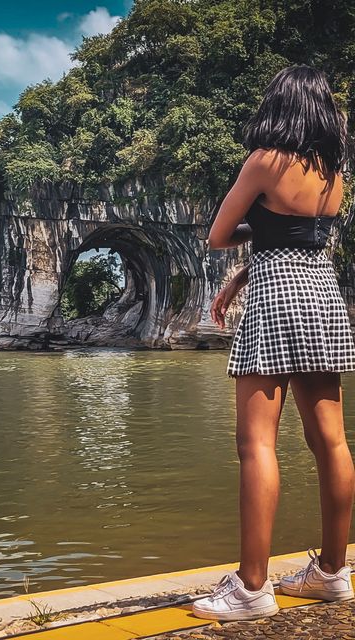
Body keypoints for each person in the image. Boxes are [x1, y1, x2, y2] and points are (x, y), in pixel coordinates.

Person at [192, 64, 355, 622]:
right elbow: (298, 236)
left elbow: (219, 236)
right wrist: (241, 275)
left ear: (279, 106)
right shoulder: (336, 172)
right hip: (321, 291)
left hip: (277, 298)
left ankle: (250, 587)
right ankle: (334, 573)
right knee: (330, 440)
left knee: (255, 443)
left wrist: (241, 255)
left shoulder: (265, 161)